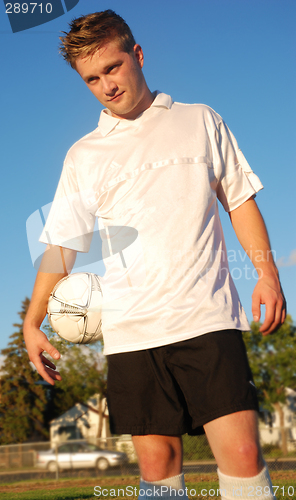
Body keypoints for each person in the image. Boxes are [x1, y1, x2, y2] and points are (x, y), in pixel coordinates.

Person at [23, 10, 285, 500]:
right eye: (92, 79)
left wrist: (267, 274)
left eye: (113, 68)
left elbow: (241, 202)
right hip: (131, 332)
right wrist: (33, 319)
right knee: (157, 467)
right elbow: (62, 244)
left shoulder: (200, 119)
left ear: (137, 55)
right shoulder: (84, 155)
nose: (106, 85)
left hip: (206, 318)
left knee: (244, 457)